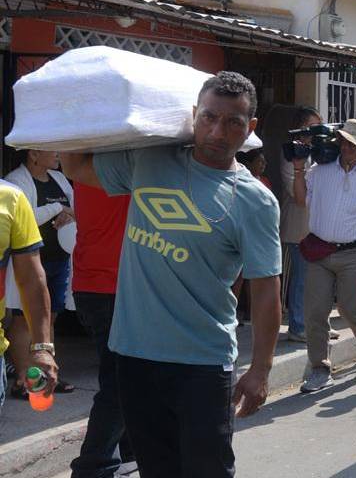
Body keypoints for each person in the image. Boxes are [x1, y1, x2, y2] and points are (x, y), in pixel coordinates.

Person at [60, 72, 280, 477]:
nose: (217, 132)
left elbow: (266, 290)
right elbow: (73, 164)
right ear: (194, 115)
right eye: (209, 117)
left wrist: (261, 370)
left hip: (203, 363)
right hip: (134, 357)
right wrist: (77, 101)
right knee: (156, 470)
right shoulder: (150, 162)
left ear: (250, 127)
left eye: (233, 122)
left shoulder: (256, 201)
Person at [291, 118, 356, 393]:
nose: (347, 148)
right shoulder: (319, 170)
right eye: (344, 142)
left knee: (351, 310)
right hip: (319, 251)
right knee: (315, 312)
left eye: (353, 144)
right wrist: (298, 168)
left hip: (354, 254)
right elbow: (300, 199)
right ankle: (320, 368)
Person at [69, 183, 133, 478]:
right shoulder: (119, 173)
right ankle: (94, 467)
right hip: (111, 288)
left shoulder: (84, 172)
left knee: (125, 376)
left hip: (96, 285)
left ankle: (128, 451)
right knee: (120, 382)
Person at [4, 149, 74, 399]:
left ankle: (45, 375)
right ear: (33, 154)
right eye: (51, 150)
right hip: (31, 263)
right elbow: (27, 218)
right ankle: (23, 379)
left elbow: (75, 208)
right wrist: (57, 207)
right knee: (24, 319)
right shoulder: (15, 181)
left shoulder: (60, 178)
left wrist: (67, 212)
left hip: (58, 259)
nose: (58, 154)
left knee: (48, 318)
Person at [278, 107, 322, 343]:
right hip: (299, 228)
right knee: (302, 279)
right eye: (312, 127)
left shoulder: (319, 152)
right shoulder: (291, 154)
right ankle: (297, 325)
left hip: (318, 227)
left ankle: (315, 324)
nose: (316, 132)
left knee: (318, 281)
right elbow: (297, 194)